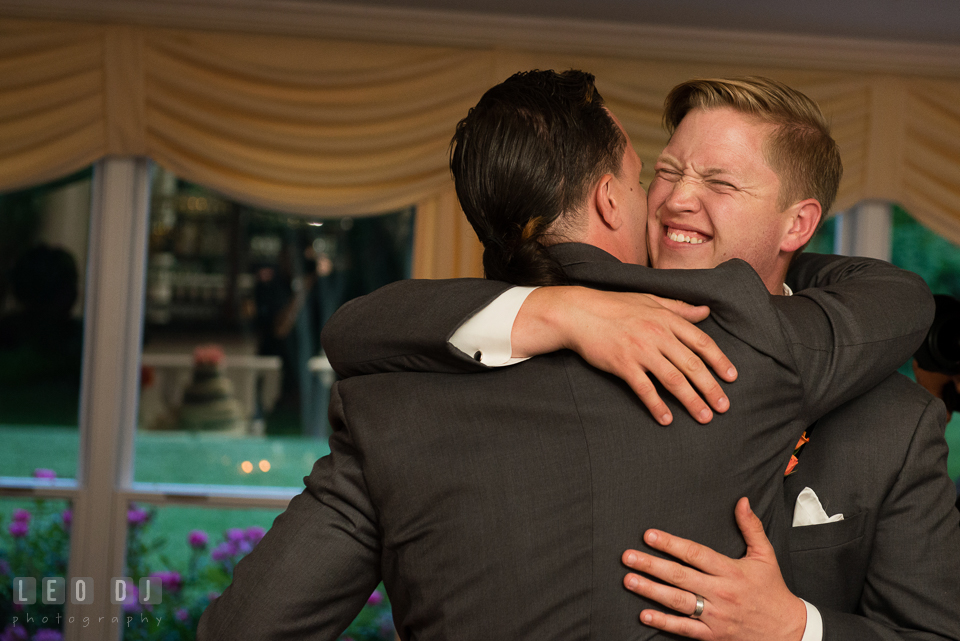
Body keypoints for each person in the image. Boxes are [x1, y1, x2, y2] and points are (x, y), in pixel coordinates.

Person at [199, 71, 934, 640]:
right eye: (661, 173)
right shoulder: (755, 345)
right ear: (614, 202)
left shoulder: (389, 390)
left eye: (717, 181)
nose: (673, 200)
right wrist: (558, 306)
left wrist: (796, 629)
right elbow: (896, 300)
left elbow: (250, 626)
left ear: (797, 222)